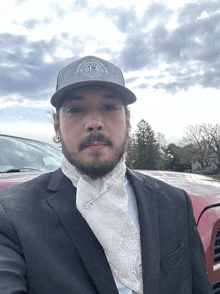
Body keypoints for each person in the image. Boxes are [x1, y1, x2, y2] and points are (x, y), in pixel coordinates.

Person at [0, 56, 213, 294]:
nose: (94, 123)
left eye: (109, 107)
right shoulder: (12, 214)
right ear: (57, 126)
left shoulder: (175, 201)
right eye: (76, 109)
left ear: (128, 121)